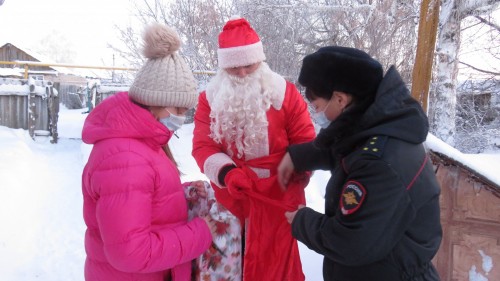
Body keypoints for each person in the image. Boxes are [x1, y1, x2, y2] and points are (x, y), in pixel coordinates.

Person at [278, 46, 442, 281]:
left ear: (340, 99)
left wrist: (303, 220)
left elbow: (351, 242)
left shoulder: (378, 163)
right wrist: (297, 157)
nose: (317, 114)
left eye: (317, 107)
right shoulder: (382, 130)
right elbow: (343, 150)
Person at [81, 23, 216, 281]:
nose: (181, 118)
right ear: (152, 100)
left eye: (185, 111)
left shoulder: (141, 143)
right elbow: (130, 253)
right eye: (176, 110)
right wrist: (198, 234)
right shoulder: (127, 158)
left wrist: (183, 192)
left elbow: (145, 196)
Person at [192, 16, 316, 281]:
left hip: (277, 198)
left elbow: (306, 140)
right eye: (234, 68)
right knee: (234, 266)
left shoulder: (285, 93)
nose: (242, 73)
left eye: (249, 65)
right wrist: (226, 173)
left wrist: (298, 171)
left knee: (276, 266)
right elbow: (203, 145)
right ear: (224, 67)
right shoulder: (209, 99)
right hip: (232, 198)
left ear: (260, 61)